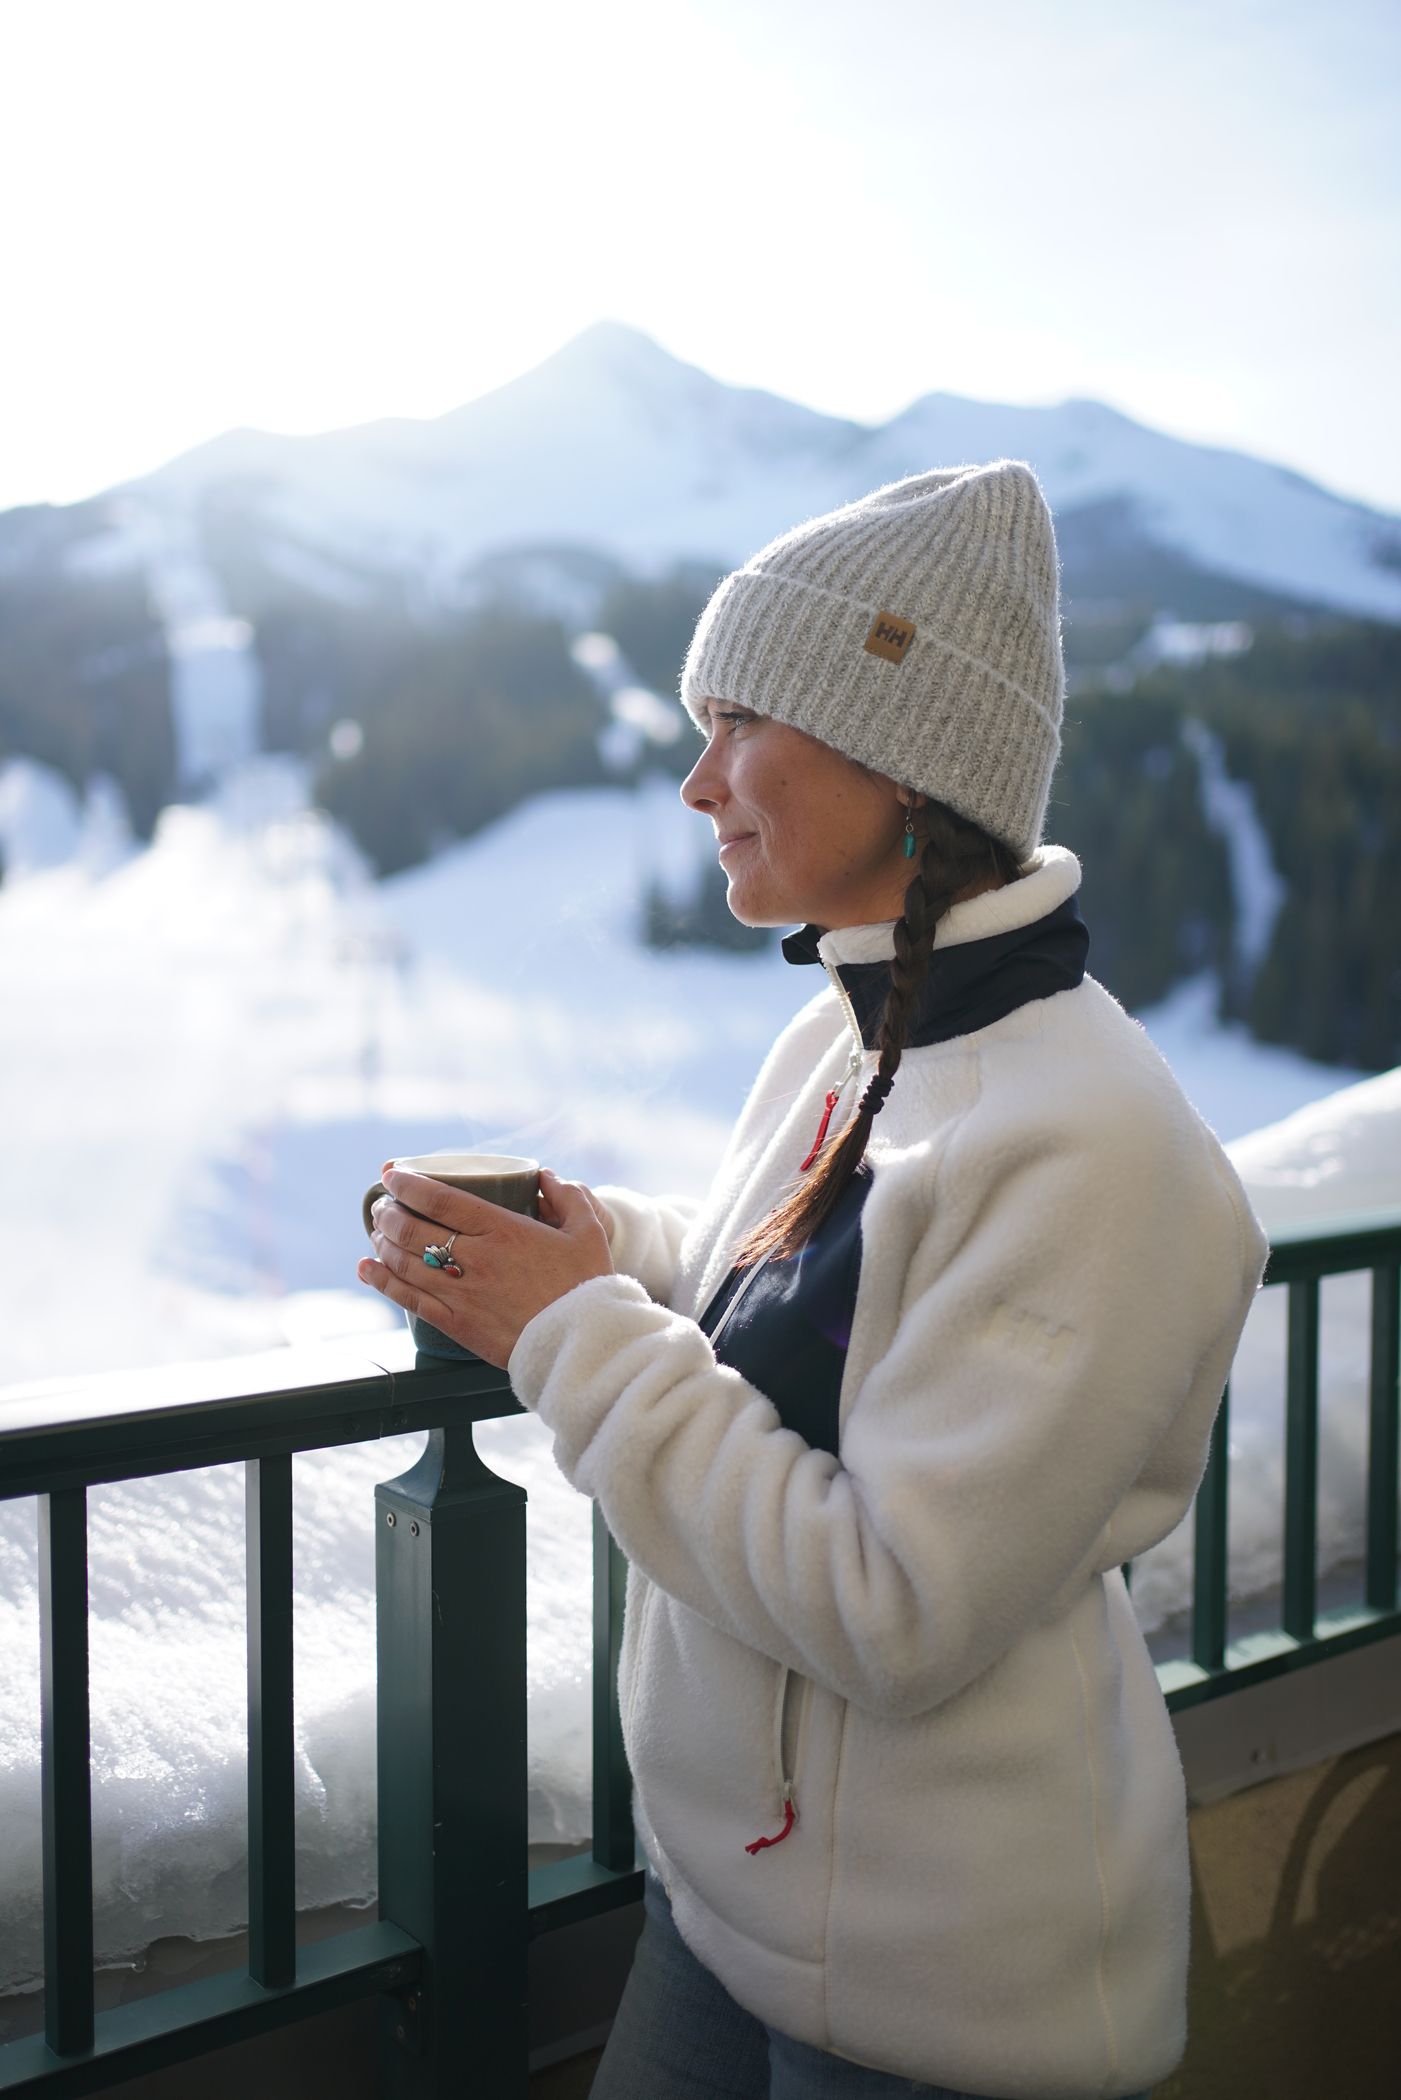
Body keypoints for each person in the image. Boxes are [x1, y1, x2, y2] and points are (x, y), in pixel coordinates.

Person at [359, 460, 1270, 2100]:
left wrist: (566, 1333)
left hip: (953, 2005)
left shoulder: (1095, 1151)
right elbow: (778, 1306)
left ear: (906, 767)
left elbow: (896, 1607)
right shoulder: (856, 1031)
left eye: (741, 727)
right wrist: (573, 1247)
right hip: (724, 1914)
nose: (699, 784)